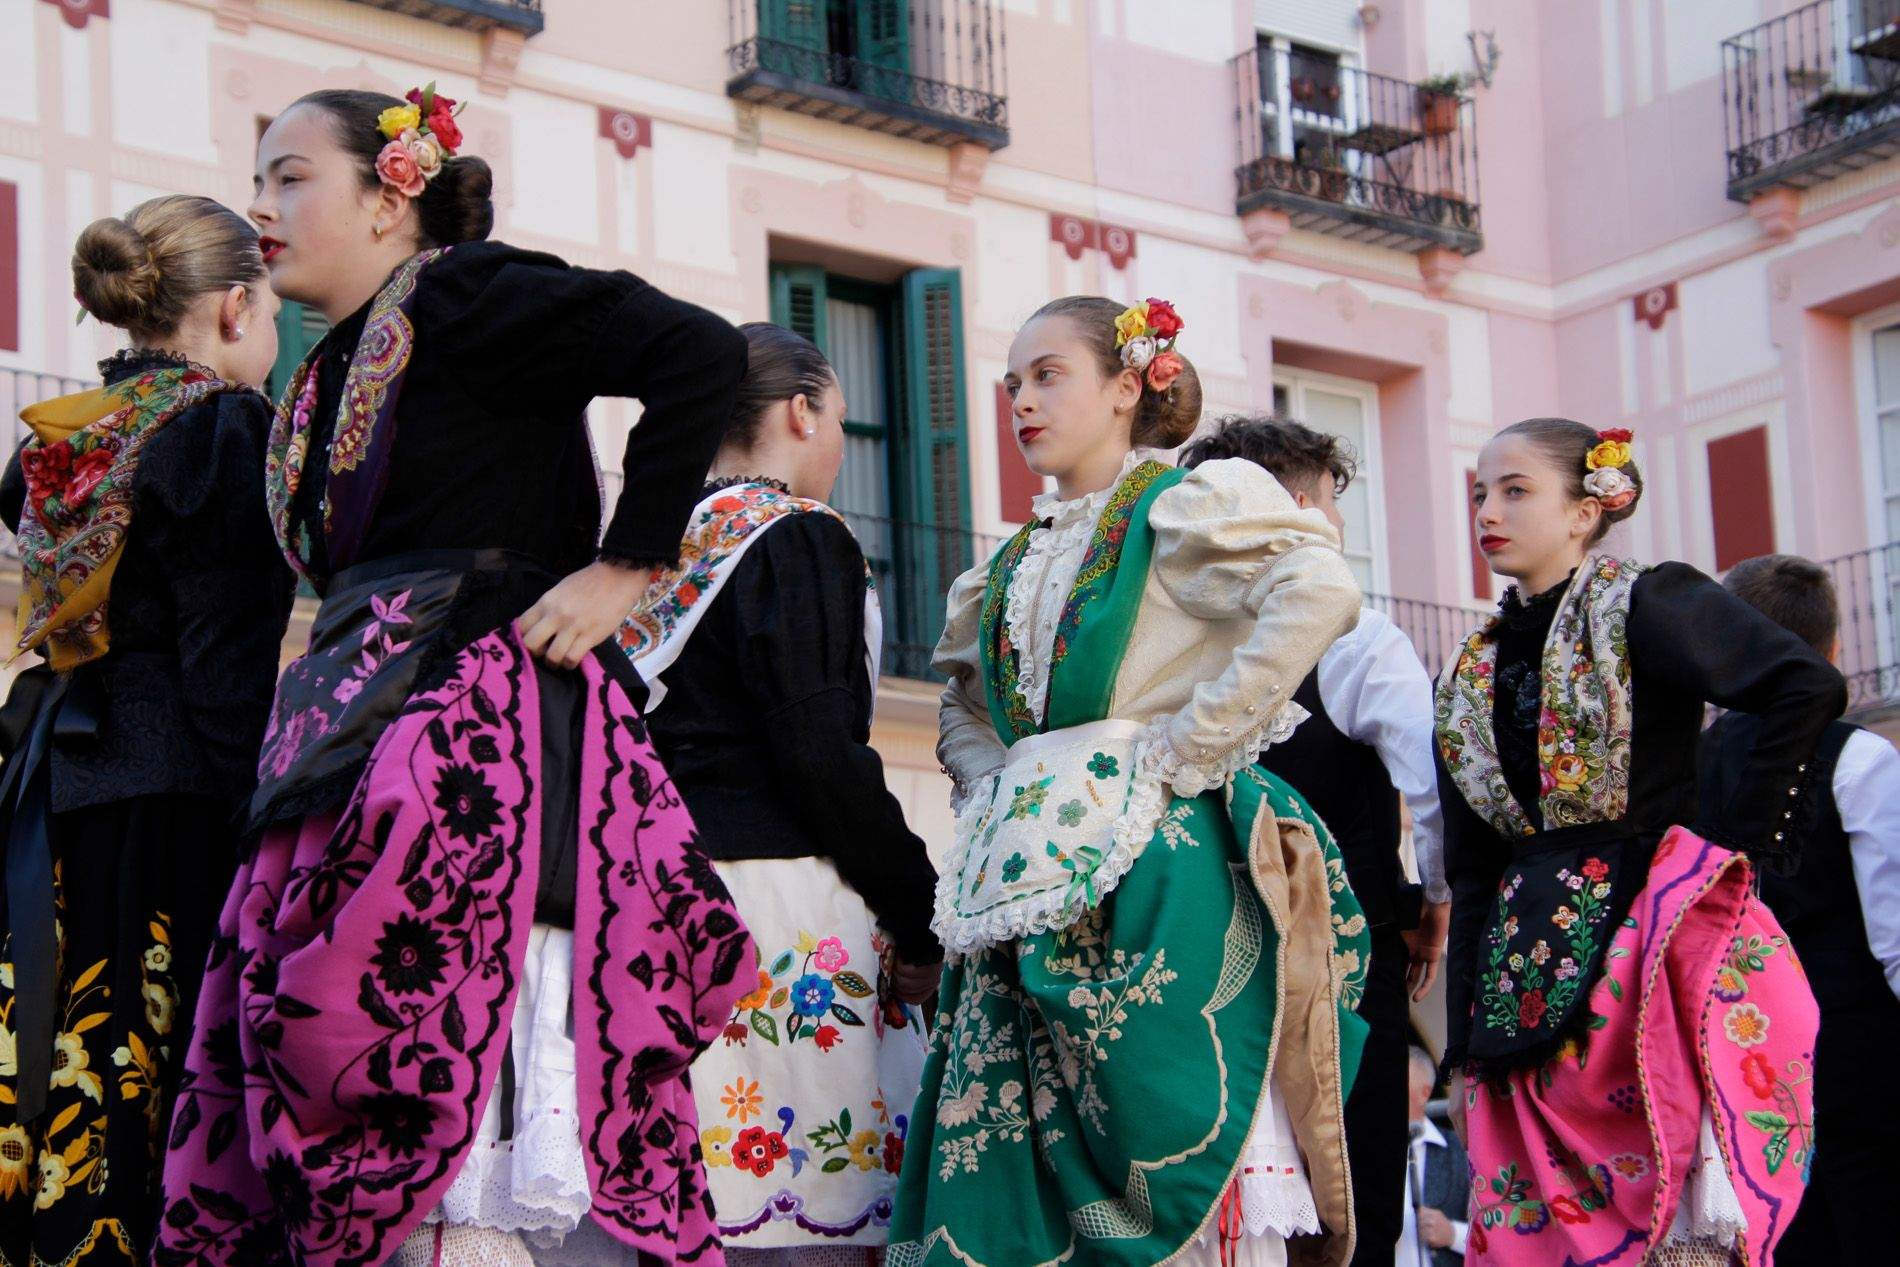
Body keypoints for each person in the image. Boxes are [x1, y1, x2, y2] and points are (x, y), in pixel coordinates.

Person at [149, 87, 754, 1267]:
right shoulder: (326, 367)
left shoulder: (472, 292)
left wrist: (626, 564)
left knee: (421, 1054)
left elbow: (696, 349)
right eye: (259, 179)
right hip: (353, 735)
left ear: (391, 198)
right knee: (323, 1039)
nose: (261, 205)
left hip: (470, 732)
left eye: (290, 177)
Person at [893, 296, 1370, 1266]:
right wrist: (997, 782)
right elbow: (964, 704)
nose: (1022, 401)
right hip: (1018, 898)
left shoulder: (1180, 505)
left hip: (1155, 869)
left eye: (1047, 375)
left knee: (1155, 1120)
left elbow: (1318, 589)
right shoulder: (1009, 564)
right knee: (1015, 1170)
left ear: (1125, 387)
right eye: (1012, 383)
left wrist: (1190, 740)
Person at [1436, 419, 1843, 1265]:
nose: (1488, 512)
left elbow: (1803, 684)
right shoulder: (1467, 673)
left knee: (1670, 1226)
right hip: (1519, 991)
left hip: (1650, 951)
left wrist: (1725, 856)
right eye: (1479, 494)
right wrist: (1463, 1047)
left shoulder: (1645, 602)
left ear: (1586, 509)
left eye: (1515, 490)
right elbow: (1473, 870)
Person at [0, 196, 293, 1266]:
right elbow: (226, 675)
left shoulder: (66, 435)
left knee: (53, 1053)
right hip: (171, 809)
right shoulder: (223, 432)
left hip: (53, 785)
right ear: (234, 307)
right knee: (151, 1075)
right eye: (273, 312)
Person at [625, 323, 942, 1263]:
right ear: (802, 412)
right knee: (805, 1218)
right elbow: (819, 752)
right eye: (838, 417)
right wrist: (920, 914)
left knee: (690, 1212)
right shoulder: (795, 536)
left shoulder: (648, 549)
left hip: (657, 903)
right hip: (779, 905)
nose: (838, 441)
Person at [1182, 415, 1449, 1267]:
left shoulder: (1171, 641)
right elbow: (1430, 781)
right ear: (1298, 507)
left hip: (1200, 952)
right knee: (1351, 1193)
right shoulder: (1357, 635)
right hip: (1338, 953)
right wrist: (1435, 898)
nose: (1336, 523)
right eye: (1332, 502)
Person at [1697, 553, 1900, 1267]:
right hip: (1858, 1057)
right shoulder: (1861, 758)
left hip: (1738, 1059)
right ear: (1833, 651)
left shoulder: (1688, 766)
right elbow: (1895, 938)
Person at [1397, 1047, 1466, 1267]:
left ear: (1424, 1093)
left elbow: (1499, 1230)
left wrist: (1453, 1234)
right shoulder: (1358, 1151)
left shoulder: (1459, 1152)